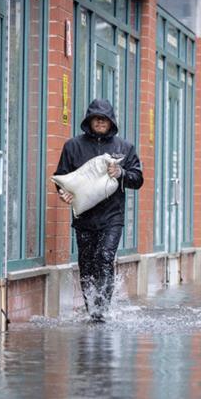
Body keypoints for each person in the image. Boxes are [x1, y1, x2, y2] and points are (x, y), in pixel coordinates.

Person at [54, 98, 143, 322]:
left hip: (112, 217)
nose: (100, 122)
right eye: (96, 118)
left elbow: (138, 179)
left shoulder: (124, 148)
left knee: (104, 257)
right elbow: (61, 177)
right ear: (89, 120)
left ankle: (103, 310)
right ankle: (91, 309)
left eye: (104, 118)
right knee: (86, 264)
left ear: (111, 121)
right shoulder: (73, 146)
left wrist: (121, 173)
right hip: (84, 218)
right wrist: (63, 193)